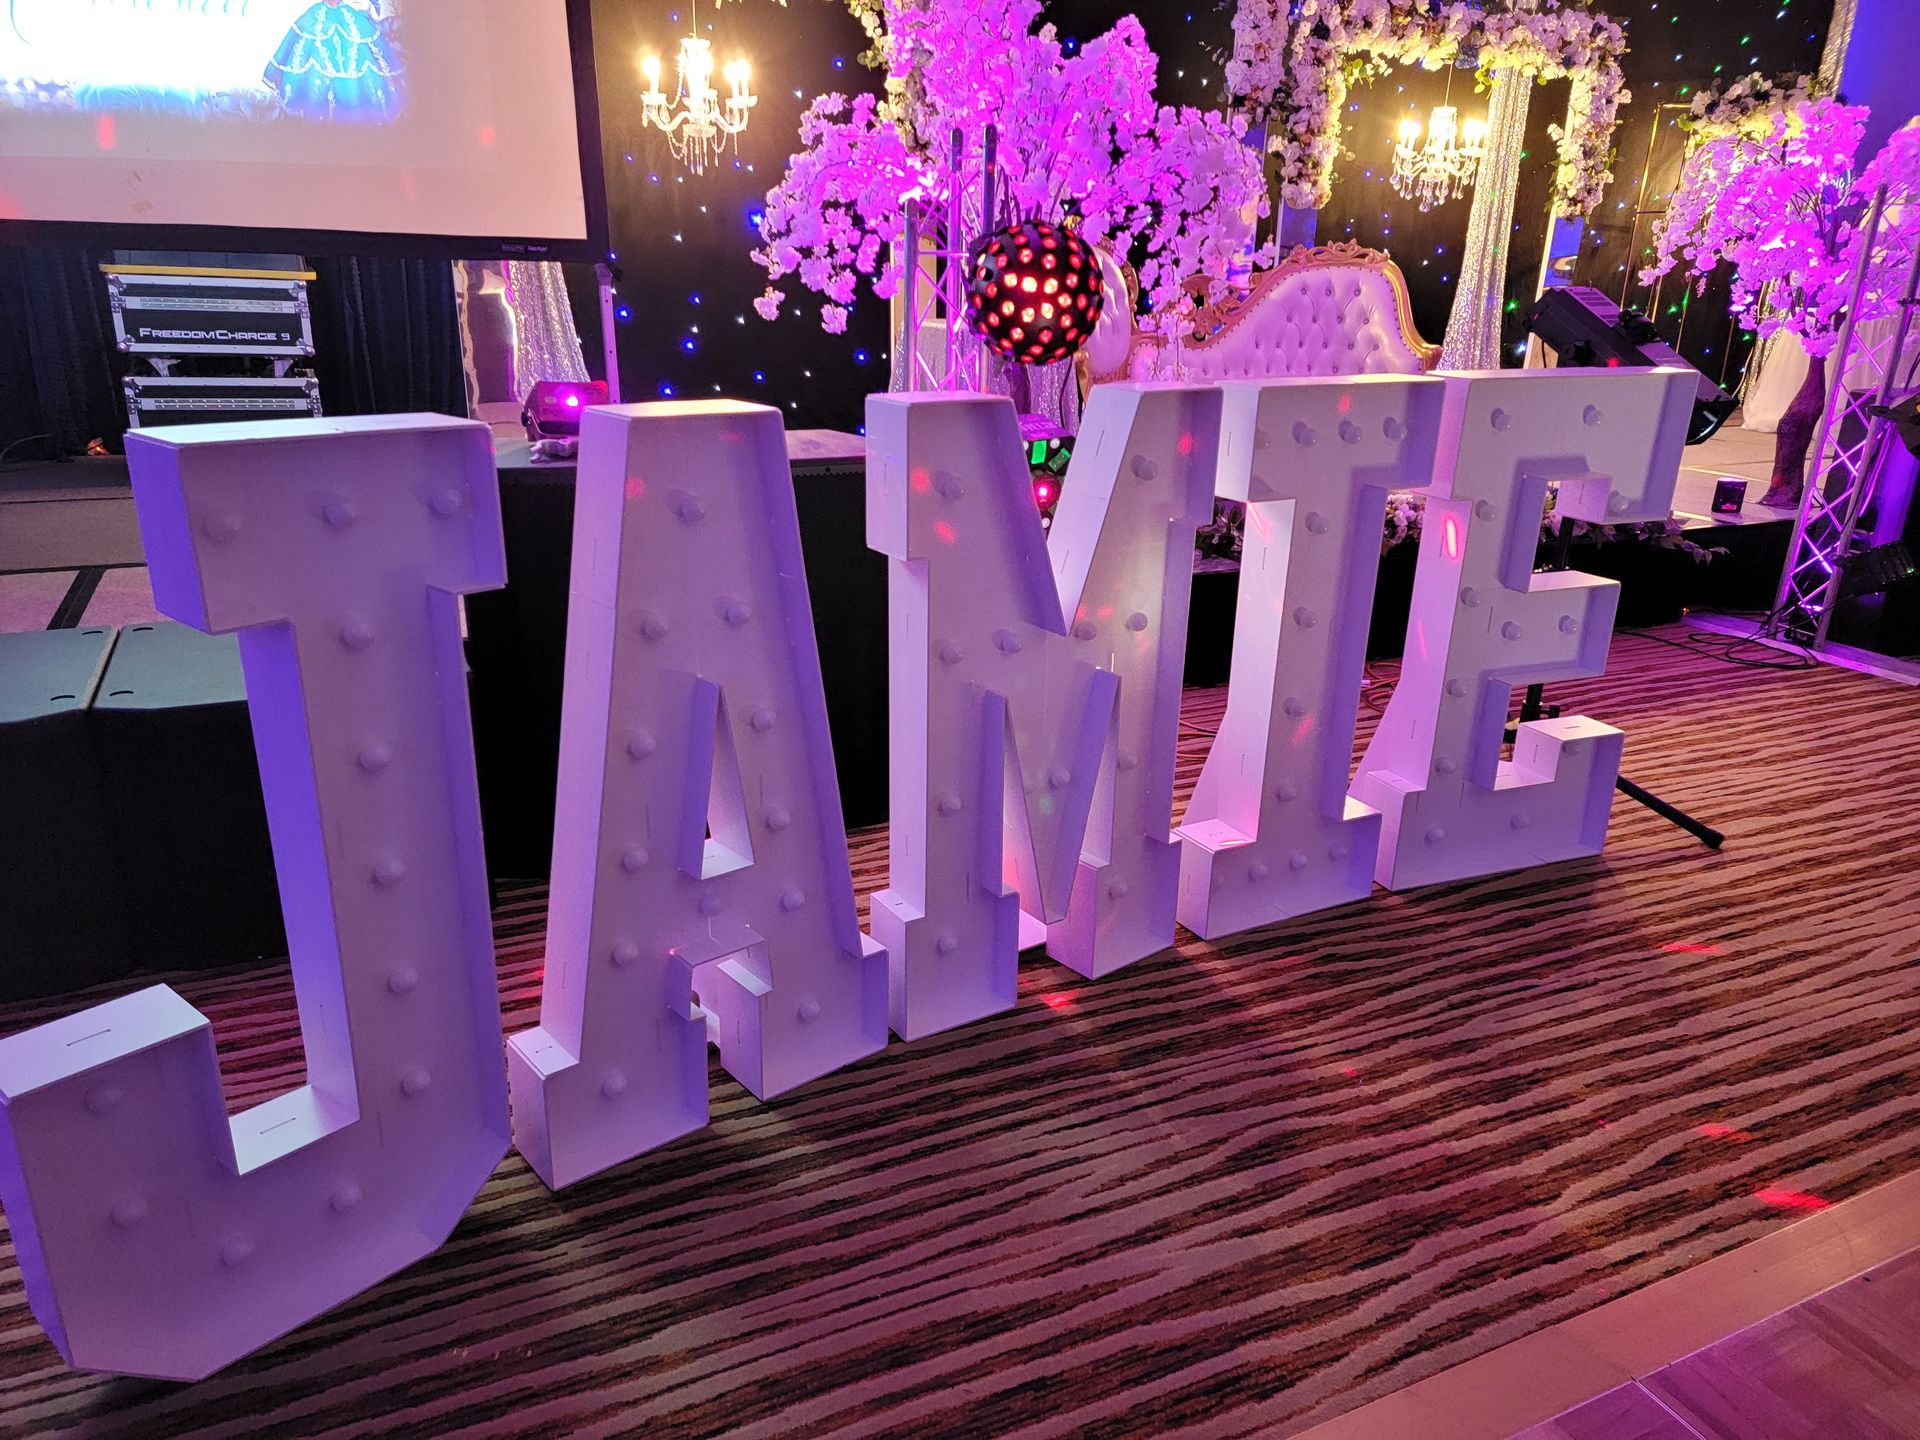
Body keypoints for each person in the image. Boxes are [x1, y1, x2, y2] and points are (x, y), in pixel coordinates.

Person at [264, 0, 401, 122]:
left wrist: (368, 7)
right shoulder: (312, 18)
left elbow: (374, 7)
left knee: (355, 60)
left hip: (348, 16)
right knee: (313, 56)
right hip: (321, 15)